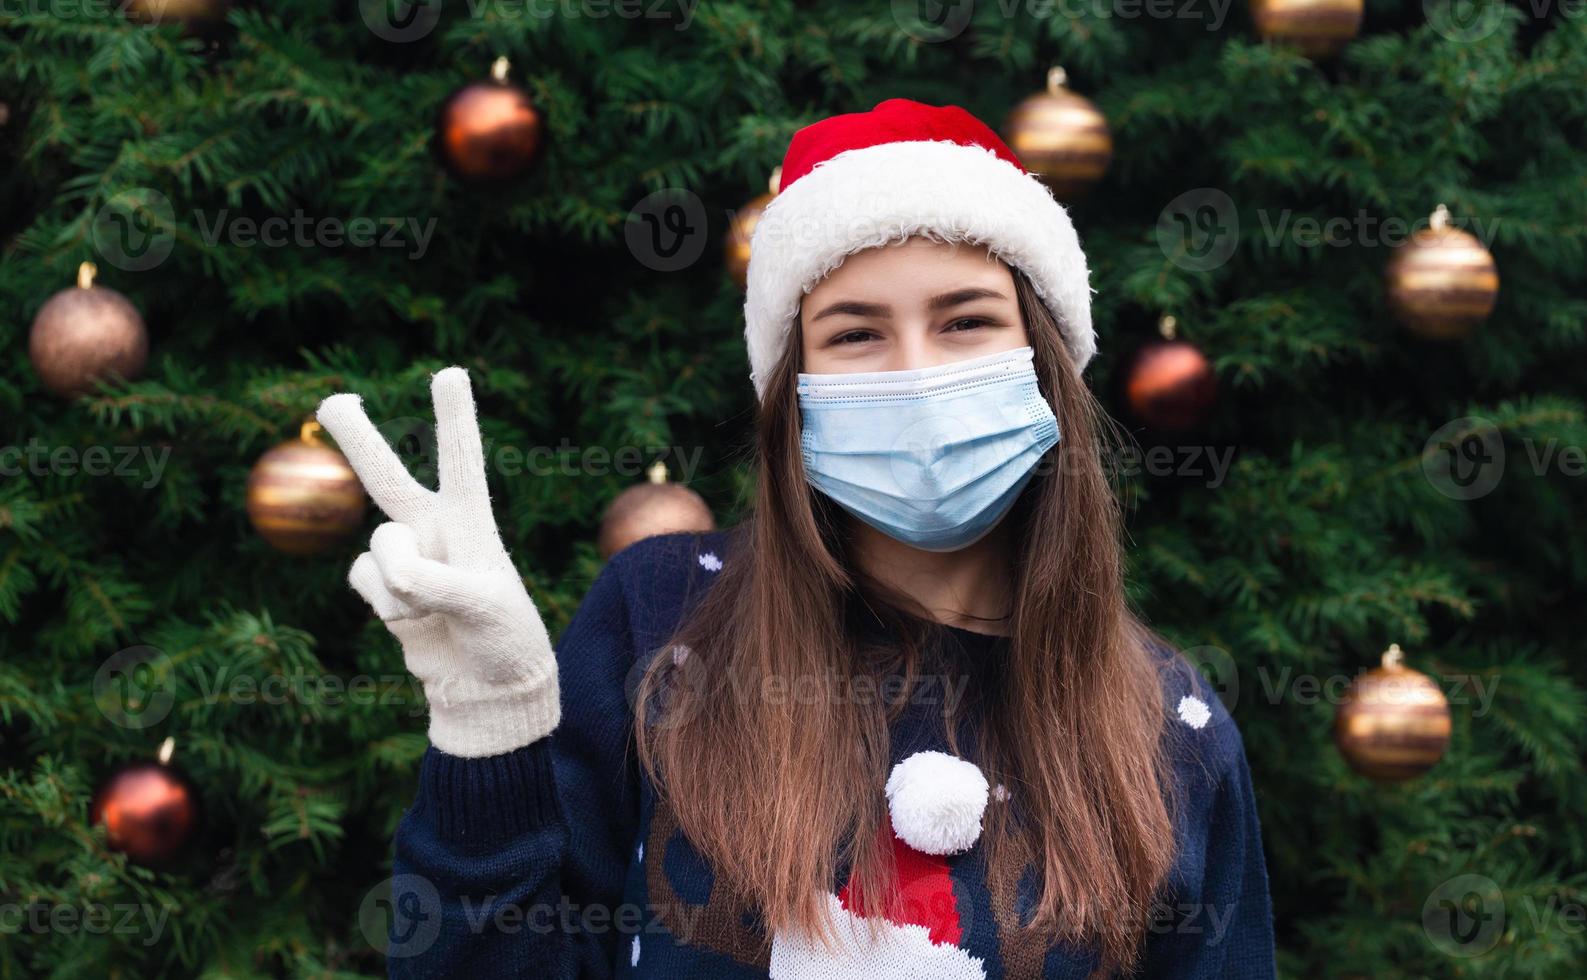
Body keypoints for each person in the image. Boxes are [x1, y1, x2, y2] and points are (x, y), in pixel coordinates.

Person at [317, 99, 1276, 979]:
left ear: (1046, 364)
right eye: (855, 334)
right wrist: (490, 728)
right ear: (793, 396)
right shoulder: (660, 621)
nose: (914, 374)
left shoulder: (1167, 728)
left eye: (966, 320)